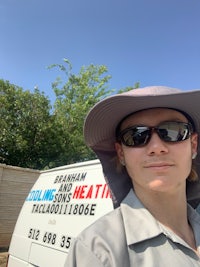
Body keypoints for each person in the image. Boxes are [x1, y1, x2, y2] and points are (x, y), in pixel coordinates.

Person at [65, 86, 200, 267]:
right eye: (136, 136)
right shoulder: (98, 251)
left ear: (193, 145)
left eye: (173, 131)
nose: (156, 147)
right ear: (121, 153)